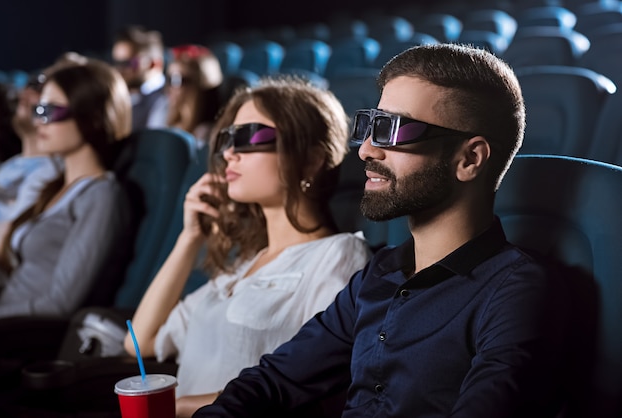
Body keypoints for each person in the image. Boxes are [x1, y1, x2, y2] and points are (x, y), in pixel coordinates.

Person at [193, 44, 574, 417]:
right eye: (370, 127)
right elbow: (272, 382)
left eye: (394, 131)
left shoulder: (517, 290)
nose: (365, 150)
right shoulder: (378, 274)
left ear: (469, 159)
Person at [124, 76, 372, 418]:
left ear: (312, 159)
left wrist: (173, 407)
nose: (229, 154)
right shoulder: (242, 266)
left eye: (250, 136)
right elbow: (141, 339)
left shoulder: (338, 256)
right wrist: (189, 239)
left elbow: (311, 387)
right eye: (228, 139)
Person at [0, 57, 133, 319]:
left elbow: (60, 304)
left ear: (91, 117)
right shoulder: (55, 186)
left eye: (50, 112)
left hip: (22, 336)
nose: (39, 122)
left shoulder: (102, 196)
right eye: (38, 110)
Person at [0, 72, 61, 222]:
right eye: (29, 86)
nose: (26, 93)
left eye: (40, 90)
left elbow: (12, 232)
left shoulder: (48, 172)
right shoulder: (10, 164)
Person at [166, 44, 224, 147]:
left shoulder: (206, 133)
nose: (170, 87)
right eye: (169, 79)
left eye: (177, 80)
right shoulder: (170, 120)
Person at [112, 25, 168, 131]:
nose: (119, 69)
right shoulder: (125, 95)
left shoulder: (168, 96)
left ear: (153, 63)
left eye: (128, 63)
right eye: (116, 63)